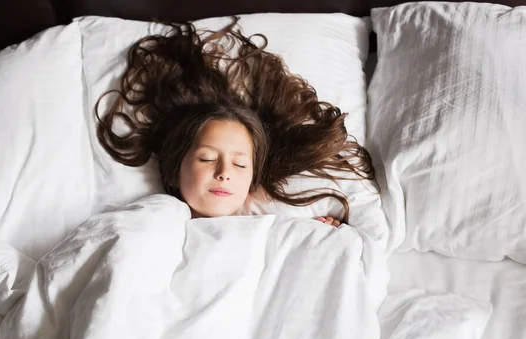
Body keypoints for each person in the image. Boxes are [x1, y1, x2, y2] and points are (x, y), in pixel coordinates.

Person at [96, 18, 374, 227]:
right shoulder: (147, 224)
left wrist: (313, 243)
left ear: (252, 179)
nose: (224, 173)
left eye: (240, 164)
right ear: (173, 171)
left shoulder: (277, 231)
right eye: (206, 159)